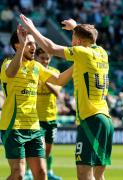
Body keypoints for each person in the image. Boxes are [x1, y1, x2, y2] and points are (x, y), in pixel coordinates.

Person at [20, 14, 114, 180]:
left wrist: (32, 29)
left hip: (90, 118)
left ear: (78, 42)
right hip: (105, 119)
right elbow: (89, 38)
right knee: (99, 176)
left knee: (84, 174)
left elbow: (50, 48)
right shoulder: (102, 53)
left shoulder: (81, 53)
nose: (71, 41)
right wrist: (76, 27)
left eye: (73, 38)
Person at [0, 25, 72, 180]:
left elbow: (58, 80)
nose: (34, 47)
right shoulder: (7, 63)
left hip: (34, 127)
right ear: (17, 45)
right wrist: (21, 49)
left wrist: (78, 64)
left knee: (41, 173)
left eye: (34, 44)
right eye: (29, 43)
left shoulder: (36, 67)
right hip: (13, 127)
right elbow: (11, 73)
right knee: (18, 174)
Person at [24, 48, 62, 180]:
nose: (45, 61)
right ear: (37, 59)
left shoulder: (55, 73)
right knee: (36, 148)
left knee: (47, 150)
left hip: (51, 117)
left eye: (48, 58)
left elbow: (57, 93)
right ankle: (29, 172)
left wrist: (45, 79)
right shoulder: (32, 72)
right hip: (35, 118)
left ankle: (48, 171)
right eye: (42, 58)